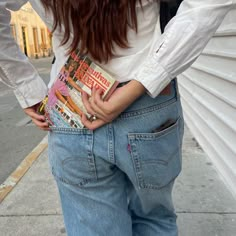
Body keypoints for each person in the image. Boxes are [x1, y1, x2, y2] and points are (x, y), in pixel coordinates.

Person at [0, 0, 235, 235]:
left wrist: (27, 87)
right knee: (153, 219)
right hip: (147, 104)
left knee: (92, 225)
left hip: (72, 103)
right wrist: (142, 83)